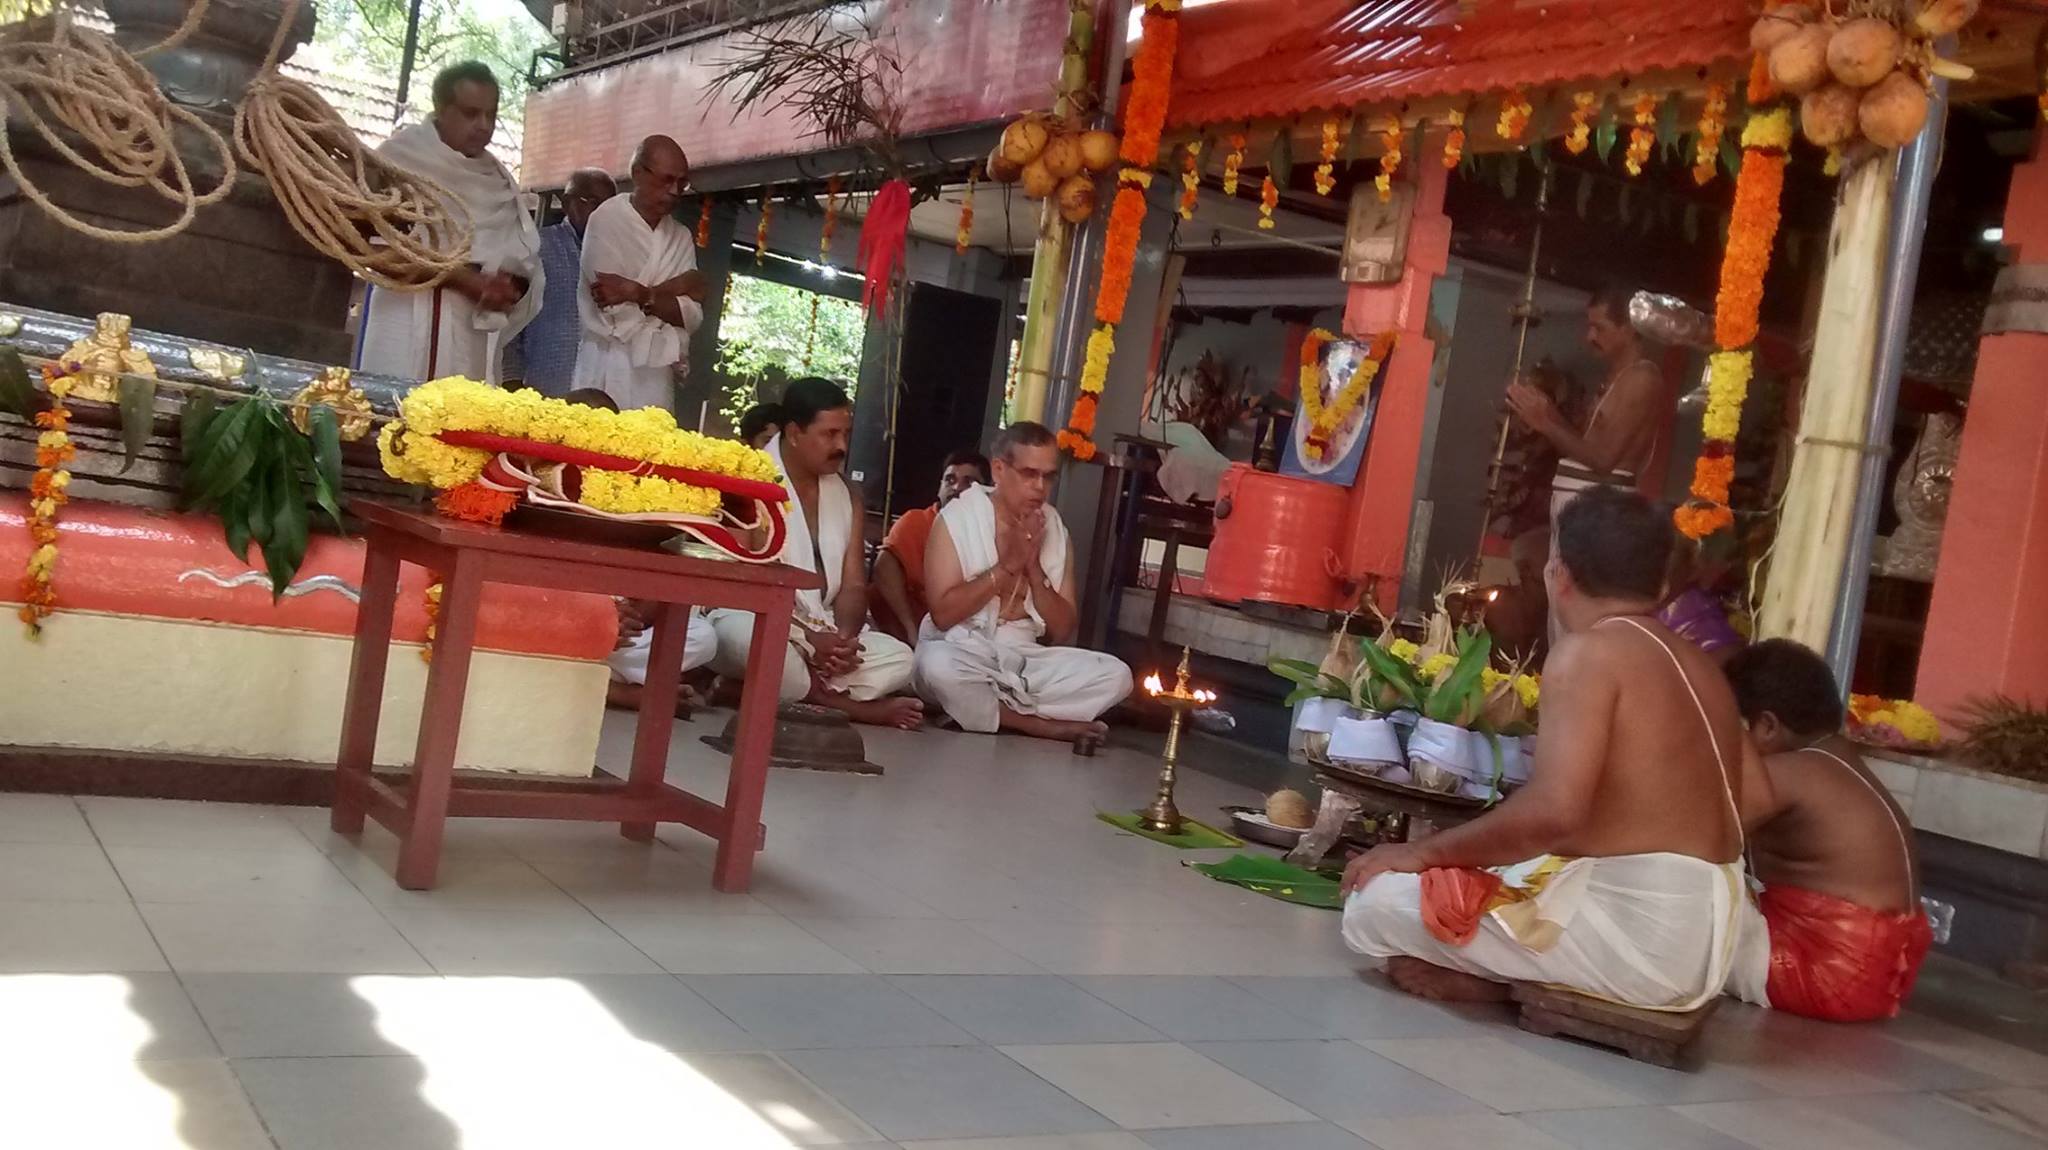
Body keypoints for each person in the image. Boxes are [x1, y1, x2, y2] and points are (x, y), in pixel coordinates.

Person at [1340, 488, 1750, 1011]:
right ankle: (1508, 970)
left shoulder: (1589, 654)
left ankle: (1501, 979)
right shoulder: (1702, 667)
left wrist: (1420, 852)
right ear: (1665, 583)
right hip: (1703, 938)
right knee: (1496, 875)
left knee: (1372, 902)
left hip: (1642, 942)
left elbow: (1554, 813)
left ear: (1561, 574)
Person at [1725, 640, 1931, 1022]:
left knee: (1666, 896)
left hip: (1824, 975)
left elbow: (1695, 836)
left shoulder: (1790, 773)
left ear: (1767, 726)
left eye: (1733, 728)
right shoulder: (1836, 758)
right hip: (1878, 980)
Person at [706, 377, 921, 728]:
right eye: (829, 434)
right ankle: (835, 703)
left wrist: (843, 641)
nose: (841, 446)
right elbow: (742, 583)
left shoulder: (847, 494)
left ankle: (749, 690)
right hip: (752, 617)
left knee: (901, 659)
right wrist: (806, 637)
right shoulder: (751, 479)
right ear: (793, 433)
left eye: (846, 434)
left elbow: (853, 585)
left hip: (824, 627)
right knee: (755, 642)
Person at [913, 421, 1134, 745]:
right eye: (1030, 474)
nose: (1040, 487)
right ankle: (1039, 724)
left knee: (1116, 676)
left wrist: (1033, 568)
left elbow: (1061, 630)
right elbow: (944, 615)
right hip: (961, 647)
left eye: (1048, 476)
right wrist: (1008, 565)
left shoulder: (1054, 528)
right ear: (1000, 469)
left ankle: (982, 709)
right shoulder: (958, 519)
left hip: (1023, 656)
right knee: (936, 665)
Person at [359, 62, 541, 384]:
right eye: (471, 113)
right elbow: (376, 252)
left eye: (491, 114)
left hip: (473, 332)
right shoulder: (396, 160)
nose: (483, 125)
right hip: (405, 321)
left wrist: (509, 286)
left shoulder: (498, 178)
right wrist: (465, 281)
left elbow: (523, 257)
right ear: (441, 109)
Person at [574, 135, 707, 411]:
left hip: (656, 372)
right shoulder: (606, 220)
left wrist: (638, 292)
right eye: (666, 180)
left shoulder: (680, 236)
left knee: (649, 449)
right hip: (607, 361)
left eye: (682, 183)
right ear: (637, 173)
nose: (674, 191)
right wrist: (678, 289)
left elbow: (691, 315)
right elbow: (615, 311)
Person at [504, 169, 618, 395]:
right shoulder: (536, 248)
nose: (602, 214)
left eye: (610, 207)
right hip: (540, 393)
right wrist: (512, 384)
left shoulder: (621, 256)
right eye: (593, 203)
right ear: (566, 203)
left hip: (601, 398)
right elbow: (509, 324)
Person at [872, 449, 989, 644]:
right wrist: (910, 628)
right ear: (939, 488)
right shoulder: (916, 521)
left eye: (968, 482)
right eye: (949, 480)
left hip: (965, 635)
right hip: (909, 632)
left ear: (986, 491)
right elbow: (883, 568)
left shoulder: (990, 532)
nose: (957, 487)